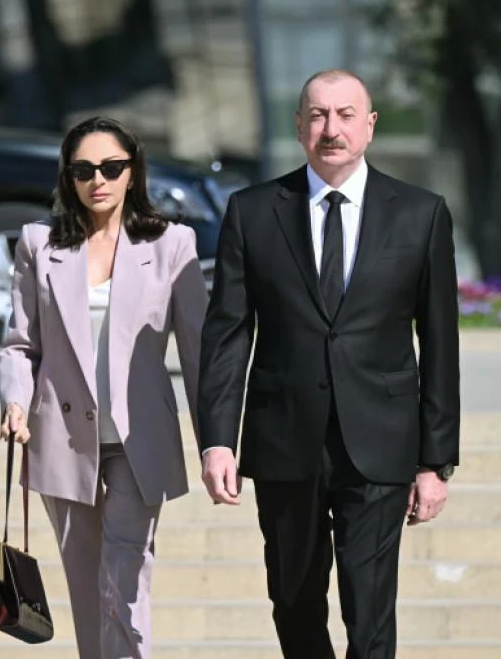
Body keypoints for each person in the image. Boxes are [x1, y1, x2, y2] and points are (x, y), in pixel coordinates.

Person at [197, 69, 460, 658]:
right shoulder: (253, 211)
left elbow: (441, 343)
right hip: (284, 439)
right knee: (294, 603)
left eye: (345, 115)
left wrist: (436, 461)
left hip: (381, 441)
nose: (331, 129)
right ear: (298, 126)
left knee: (370, 612)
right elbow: (227, 335)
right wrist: (217, 440)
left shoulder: (421, 214)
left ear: (370, 125)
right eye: (317, 115)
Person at [0, 115, 206, 658]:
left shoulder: (171, 244)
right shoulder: (39, 243)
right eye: (84, 170)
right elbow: (20, 344)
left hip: (139, 440)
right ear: (68, 177)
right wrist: (15, 401)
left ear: (133, 172)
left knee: (125, 573)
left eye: (112, 167)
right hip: (62, 438)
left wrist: (216, 443)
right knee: (86, 581)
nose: (99, 180)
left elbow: (198, 353)